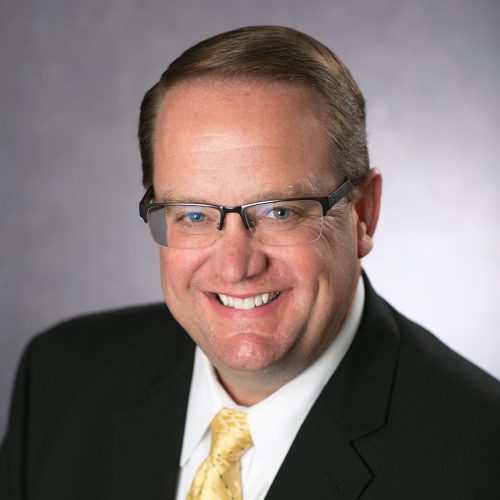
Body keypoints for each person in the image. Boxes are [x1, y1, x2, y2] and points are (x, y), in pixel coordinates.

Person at [1, 25, 499, 500]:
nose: (235, 267)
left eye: (280, 212)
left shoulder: (481, 460)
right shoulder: (60, 379)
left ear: (363, 214)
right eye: (194, 215)